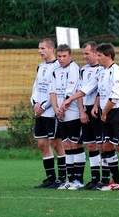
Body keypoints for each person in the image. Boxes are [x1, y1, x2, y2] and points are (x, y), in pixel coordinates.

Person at [62, 41, 110, 190]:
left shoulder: (102, 70)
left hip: (98, 109)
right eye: (83, 54)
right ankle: (95, 179)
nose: (84, 57)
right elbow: (81, 90)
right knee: (90, 145)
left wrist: (94, 107)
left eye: (87, 53)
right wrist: (82, 111)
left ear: (96, 53)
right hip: (86, 110)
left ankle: (105, 179)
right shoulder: (83, 70)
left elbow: (98, 91)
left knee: (102, 145)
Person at [91, 43, 119, 191]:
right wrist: (97, 107)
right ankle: (115, 181)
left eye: (99, 55)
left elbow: (115, 96)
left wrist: (104, 113)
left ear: (108, 56)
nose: (97, 57)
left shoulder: (117, 71)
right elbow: (100, 93)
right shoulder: (102, 72)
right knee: (107, 146)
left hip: (117, 111)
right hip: (106, 112)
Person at [49, 44, 86, 190]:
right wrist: (56, 109)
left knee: (76, 144)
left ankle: (79, 180)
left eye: (64, 56)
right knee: (66, 146)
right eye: (59, 56)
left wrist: (62, 108)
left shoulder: (74, 69)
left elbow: (70, 92)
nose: (61, 59)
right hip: (60, 114)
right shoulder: (55, 70)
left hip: (73, 114)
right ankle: (70, 180)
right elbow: (52, 91)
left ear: (70, 56)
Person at [31, 38, 66, 189]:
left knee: (57, 144)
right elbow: (36, 88)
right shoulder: (40, 67)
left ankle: (62, 179)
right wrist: (34, 104)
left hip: (51, 112)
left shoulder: (58, 67)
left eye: (43, 48)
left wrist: (43, 106)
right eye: (39, 48)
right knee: (42, 144)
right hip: (40, 113)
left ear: (52, 49)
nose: (40, 51)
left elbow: (56, 90)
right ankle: (50, 178)